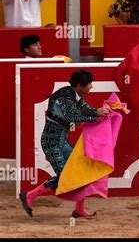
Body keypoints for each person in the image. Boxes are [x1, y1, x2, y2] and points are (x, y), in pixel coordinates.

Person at [20, 70, 110, 218]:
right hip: (51, 142)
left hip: (62, 141)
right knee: (64, 176)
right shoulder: (64, 97)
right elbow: (73, 116)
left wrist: (100, 112)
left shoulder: (74, 95)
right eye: (89, 84)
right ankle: (29, 195)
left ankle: (79, 209)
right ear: (80, 85)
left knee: (83, 170)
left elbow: (85, 109)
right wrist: (96, 114)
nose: (91, 87)